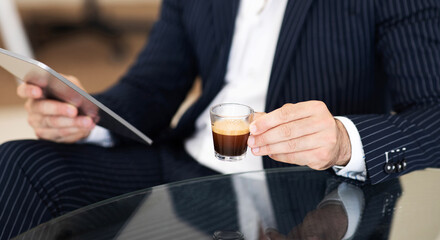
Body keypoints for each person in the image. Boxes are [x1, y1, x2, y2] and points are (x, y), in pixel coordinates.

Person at [1, 0, 439, 238]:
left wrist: (345, 140)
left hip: (308, 188)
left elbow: (433, 114)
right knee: (19, 164)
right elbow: (151, 88)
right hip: (183, 168)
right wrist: (86, 114)